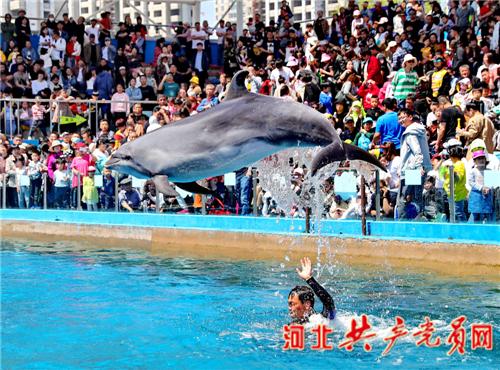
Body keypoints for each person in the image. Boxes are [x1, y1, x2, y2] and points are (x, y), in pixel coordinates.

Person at [288, 257, 335, 324]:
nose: (289, 308)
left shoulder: (321, 320)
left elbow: (328, 302)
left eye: (292, 304)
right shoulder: (292, 326)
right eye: (289, 304)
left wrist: (308, 279)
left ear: (307, 304)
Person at [467, 150, 493, 223]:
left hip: (487, 196)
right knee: (475, 214)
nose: (481, 160)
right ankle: (473, 229)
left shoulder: (489, 171)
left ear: (485, 159)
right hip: (476, 196)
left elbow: (493, 183)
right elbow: (470, 182)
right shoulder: (473, 171)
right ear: (474, 161)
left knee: (487, 214)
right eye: (478, 159)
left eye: (482, 158)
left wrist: (488, 188)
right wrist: (481, 187)